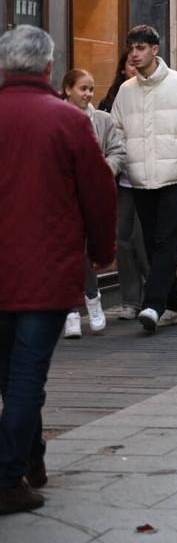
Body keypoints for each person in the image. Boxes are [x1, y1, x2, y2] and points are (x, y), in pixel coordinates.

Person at [0, 27, 116, 514]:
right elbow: (99, 191)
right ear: (49, 68)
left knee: (11, 373)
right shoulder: (68, 121)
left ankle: (32, 458)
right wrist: (102, 248)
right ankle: (8, 477)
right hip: (46, 268)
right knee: (27, 375)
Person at [110, 25, 177, 334]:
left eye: (141, 48)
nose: (135, 54)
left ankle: (153, 305)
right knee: (153, 246)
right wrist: (125, 159)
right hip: (139, 177)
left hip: (173, 176)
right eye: (132, 48)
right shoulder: (126, 90)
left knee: (168, 241)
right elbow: (115, 129)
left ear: (155, 49)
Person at [60, 69, 126, 338]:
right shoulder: (55, 118)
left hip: (93, 196)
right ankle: (71, 310)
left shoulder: (103, 120)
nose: (88, 94)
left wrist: (102, 171)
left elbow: (118, 152)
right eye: (82, 88)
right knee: (67, 252)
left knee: (87, 251)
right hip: (61, 197)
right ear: (67, 90)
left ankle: (92, 297)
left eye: (90, 88)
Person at [101, 53, 150, 320]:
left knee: (143, 239)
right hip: (122, 180)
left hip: (150, 178)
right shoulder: (110, 102)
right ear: (122, 70)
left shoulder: (154, 96)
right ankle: (131, 300)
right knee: (123, 239)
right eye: (130, 64)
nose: (135, 68)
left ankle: (153, 295)